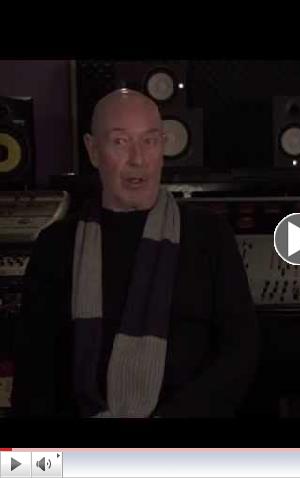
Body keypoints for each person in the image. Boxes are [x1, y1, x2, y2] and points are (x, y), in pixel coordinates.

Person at [11, 89, 258, 417]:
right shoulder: (56, 245)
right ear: (93, 150)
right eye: (120, 142)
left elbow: (240, 352)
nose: (138, 159)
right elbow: (33, 376)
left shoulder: (209, 235)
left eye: (149, 141)